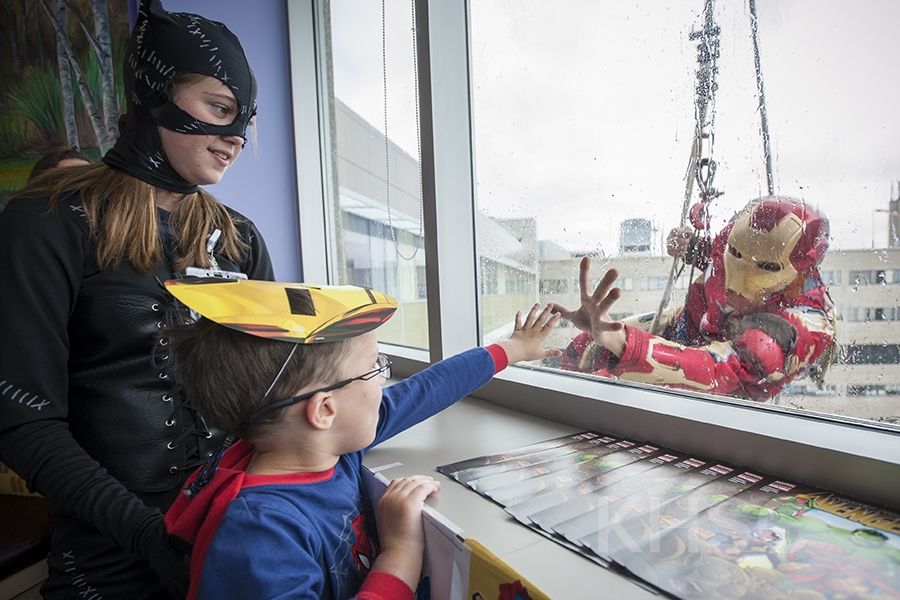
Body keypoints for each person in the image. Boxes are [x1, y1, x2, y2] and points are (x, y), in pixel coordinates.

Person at [0, 0, 274, 597]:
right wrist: (149, 534)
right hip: (106, 556)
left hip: (234, 528)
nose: (235, 139)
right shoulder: (47, 222)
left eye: (245, 120)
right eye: (221, 109)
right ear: (155, 94)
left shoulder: (240, 238)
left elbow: (269, 390)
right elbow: (22, 416)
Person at [161, 278, 561, 600]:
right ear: (324, 410)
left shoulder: (325, 447)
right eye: (375, 368)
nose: (385, 379)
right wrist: (401, 551)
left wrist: (510, 349)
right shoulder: (258, 536)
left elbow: (424, 391)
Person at [552, 196, 836, 401]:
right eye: (735, 254)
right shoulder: (739, 242)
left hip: (721, 397)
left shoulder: (798, 326)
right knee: (588, 344)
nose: (737, 278)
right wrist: (690, 247)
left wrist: (624, 343)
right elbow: (717, 256)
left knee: (611, 375)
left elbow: (719, 369)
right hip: (688, 326)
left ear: (797, 272)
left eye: (766, 268)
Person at [0, 148, 92, 214]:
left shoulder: (99, 209)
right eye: (67, 174)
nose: (79, 179)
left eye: (86, 173)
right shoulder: (25, 210)